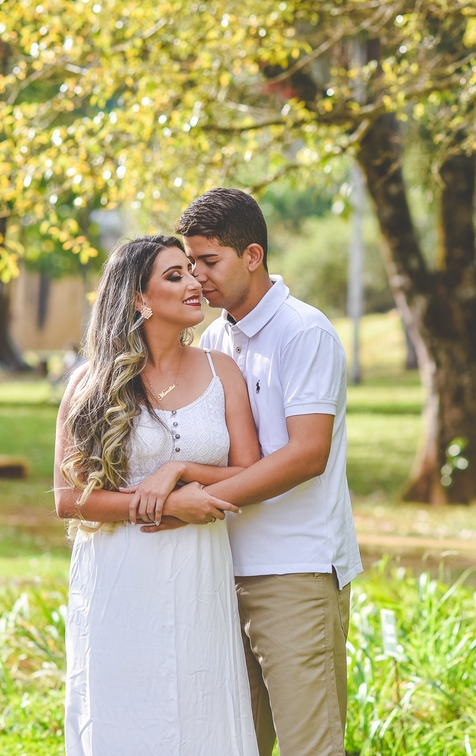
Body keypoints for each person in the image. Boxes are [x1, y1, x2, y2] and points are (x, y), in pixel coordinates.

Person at [171, 188, 362, 756]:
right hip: (222, 566)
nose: (197, 277)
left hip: (295, 571)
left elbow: (307, 454)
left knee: (310, 745)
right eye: (190, 263)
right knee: (234, 742)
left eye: (210, 261)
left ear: (252, 255)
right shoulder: (213, 339)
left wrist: (206, 498)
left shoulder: (304, 332)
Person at [53, 235, 261, 756]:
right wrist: (169, 504)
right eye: (175, 276)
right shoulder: (90, 384)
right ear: (139, 300)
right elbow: (68, 498)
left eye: (192, 271)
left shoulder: (222, 372)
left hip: (198, 572)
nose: (195, 283)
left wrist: (182, 470)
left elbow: (250, 471)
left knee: (199, 708)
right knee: (125, 713)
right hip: (119, 573)